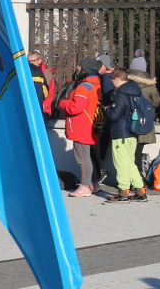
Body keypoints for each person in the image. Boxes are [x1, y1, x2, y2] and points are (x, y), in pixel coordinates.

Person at [57, 59, 105, 196]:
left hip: (81, 125)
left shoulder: (84, 87)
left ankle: (84, 187)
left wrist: (63, 103)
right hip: (90, 124)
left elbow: (75, 108)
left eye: (79, 66)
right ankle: (94, 184)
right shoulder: (96, 84)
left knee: (82, 158)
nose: (77, 68)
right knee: (88, 155)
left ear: (85, 69)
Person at [104, 69, 150, 202]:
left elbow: (115, 116)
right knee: (130, 163)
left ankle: (123, 192)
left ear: (117, 78)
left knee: (121, 164)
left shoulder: (121, 93)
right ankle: (140, 191)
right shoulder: (135, 91)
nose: (112, 84)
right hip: (133, 132)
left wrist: (108, 109)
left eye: (113, 81)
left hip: (121, 133)